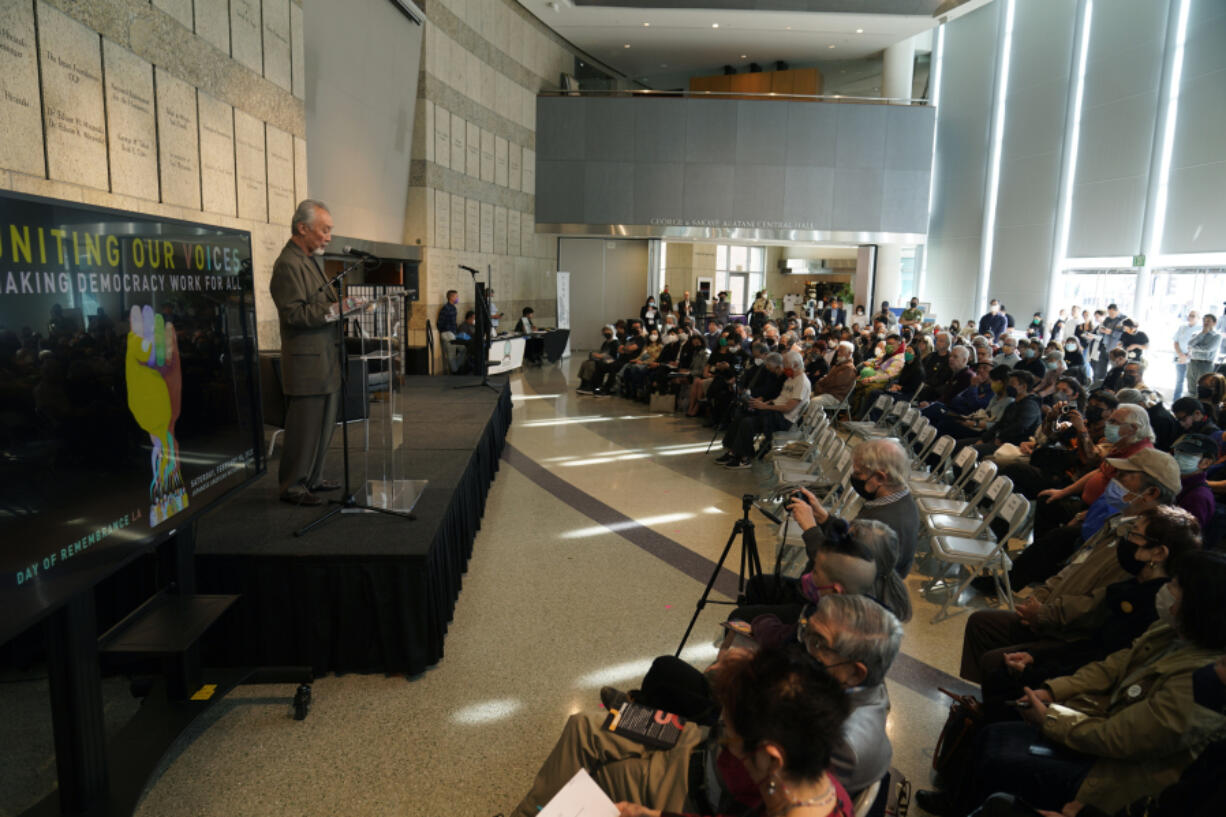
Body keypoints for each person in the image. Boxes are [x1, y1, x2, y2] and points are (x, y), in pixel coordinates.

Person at [919, 549, 1226, 817]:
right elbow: (1113, 666)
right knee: (992, 735)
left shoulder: (1201, 680)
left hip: (1116, 773)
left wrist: (1050, 719)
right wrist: (1053, 690)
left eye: (1176, 586)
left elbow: (1121, 739)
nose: (1168, 589)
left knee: (1000, 755)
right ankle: (958, 802)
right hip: (1101, 727)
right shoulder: (1171, 632)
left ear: (1199, 604)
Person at [269, 199, 342, 506]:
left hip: (324, 360)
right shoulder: (288, 263)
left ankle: (312, 478)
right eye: (324, 230)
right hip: (306, 363)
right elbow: (293, 314)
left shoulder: (309, 259)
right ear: (302, 228)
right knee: (304, 429)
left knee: (323, 425)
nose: (328, 237)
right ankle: (293, 486)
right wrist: (336, 310)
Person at [717, 351, 809, 469]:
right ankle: (733, 451)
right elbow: (779, 399)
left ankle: (744, 457)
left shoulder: (802, 382)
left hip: (783, 420)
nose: (783, 368)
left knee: (747, 421)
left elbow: (788, 408)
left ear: (795, 365)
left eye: (785, 365)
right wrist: (763, 403)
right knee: (742, 414)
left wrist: (765, 406)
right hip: (774, 412)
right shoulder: (791, 379)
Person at [1186, 313, 1221, 393]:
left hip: (1205, 364)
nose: (1205, 323)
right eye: (1204, 321)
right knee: (1191, 388)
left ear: (1214, 323)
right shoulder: (1196, 334)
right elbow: (1189, 344)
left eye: (1208, 321)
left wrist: (1194, 348)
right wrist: (1202, 334)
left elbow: (1207, 349)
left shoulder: (1217, 336)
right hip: (1193, 362)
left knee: (1203, 387)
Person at [1172, 309, 1200, 400]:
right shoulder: (1182, 327)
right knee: (1179, 380)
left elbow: (1197, 345)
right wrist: (1180, 354)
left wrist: (1187, 356)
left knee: (1191, 381)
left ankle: (1190, 401)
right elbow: (1176, 341)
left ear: (1198, 318)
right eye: (1189, 315)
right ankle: (1176, 400)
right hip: (1180, 357)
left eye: (1193, 316)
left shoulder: (1200, 329)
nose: (1190, 317)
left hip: (1192, 358)